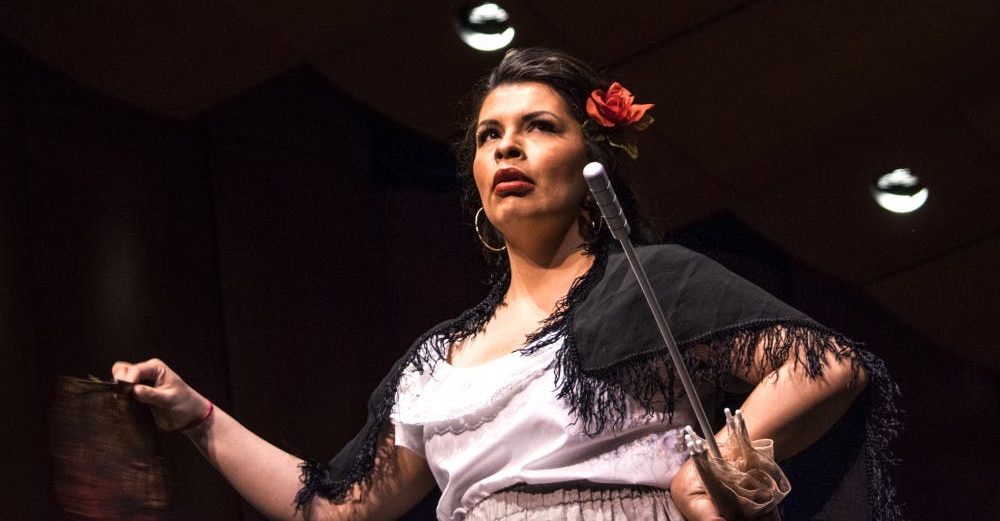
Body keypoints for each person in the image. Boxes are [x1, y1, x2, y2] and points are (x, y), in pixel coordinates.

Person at [113, 48, 901, 520]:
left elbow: (827, 362)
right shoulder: (435, 363)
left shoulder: (651, 283)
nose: (508, 147)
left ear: (592, 158)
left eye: (538, 127)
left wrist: (711, 468)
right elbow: (334, 506)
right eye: (490, 135)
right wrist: (196, 414)